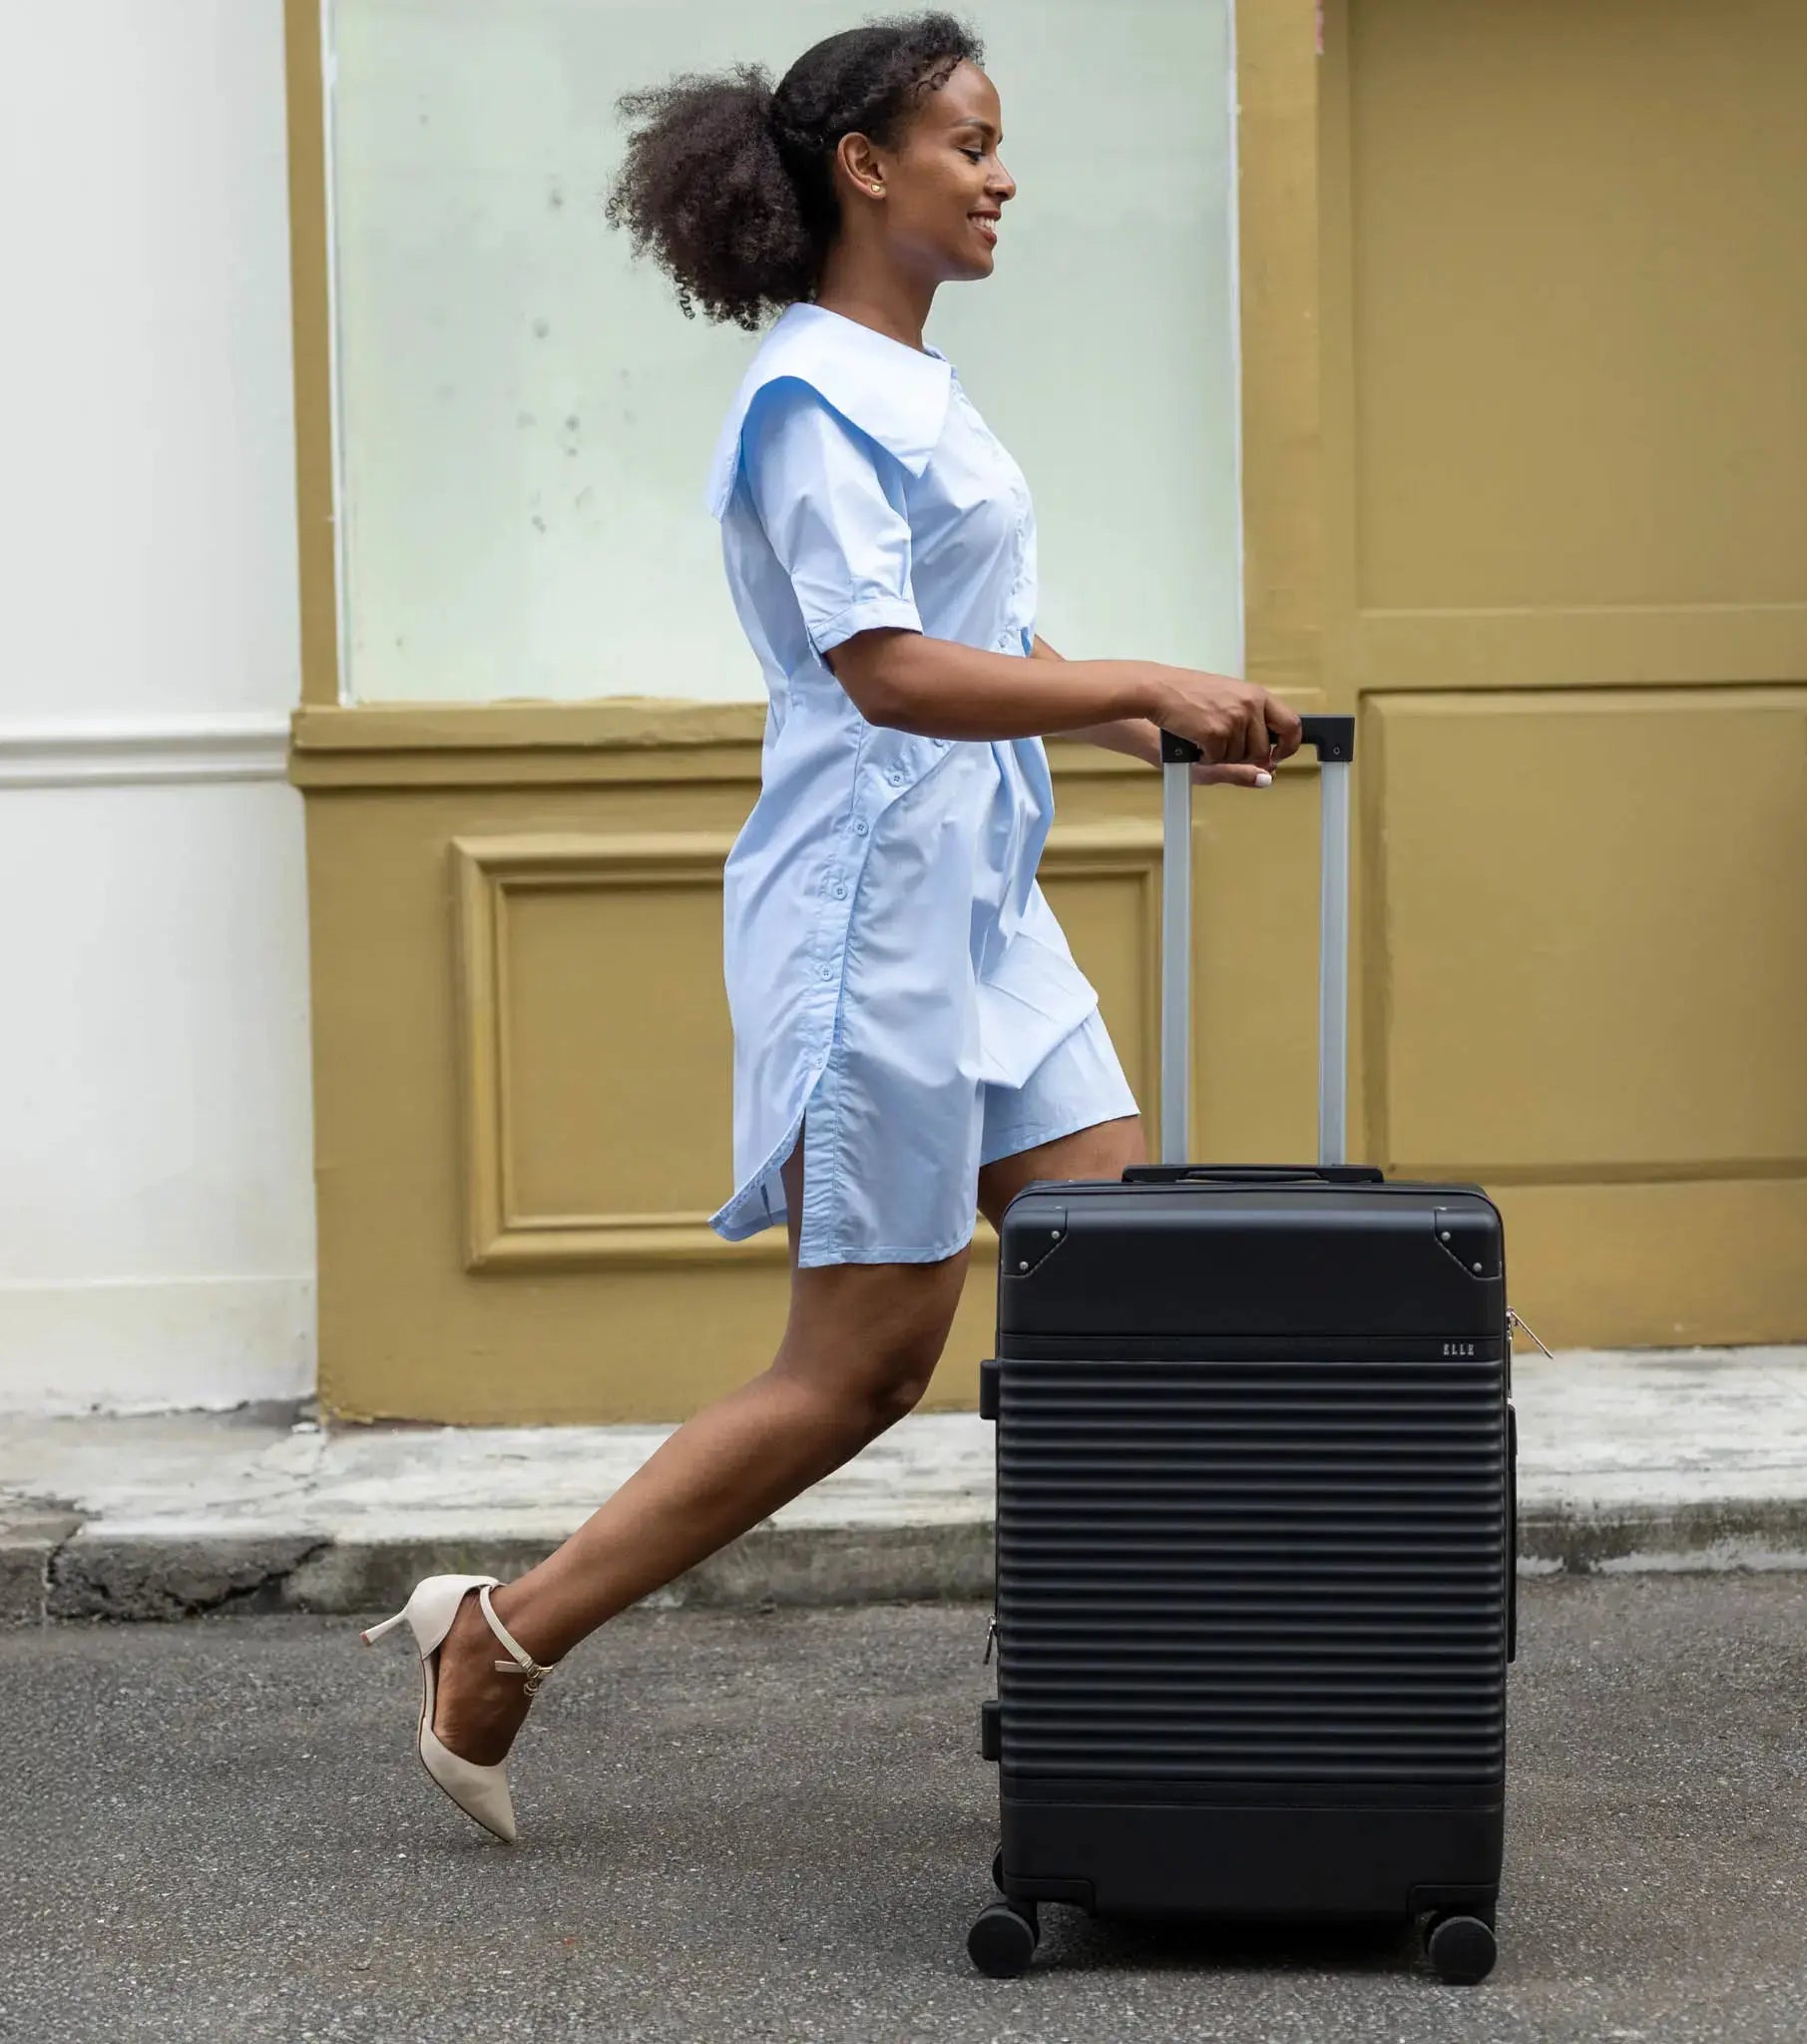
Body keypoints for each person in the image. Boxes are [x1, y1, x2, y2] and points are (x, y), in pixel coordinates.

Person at [360, 12, 1302, 1843]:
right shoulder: (808, 395)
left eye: (997, 139)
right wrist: (1147, 682)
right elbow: (880, 669)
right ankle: (504, 1633)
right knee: (862, 1367)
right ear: (867, 167)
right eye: (970, 139)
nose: (1002, 171)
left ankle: (1155, 1720)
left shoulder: (918, 384)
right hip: (872, 920)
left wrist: (1144, 720)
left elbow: (981, 638)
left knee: (1112, 1290)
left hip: (985, 910)